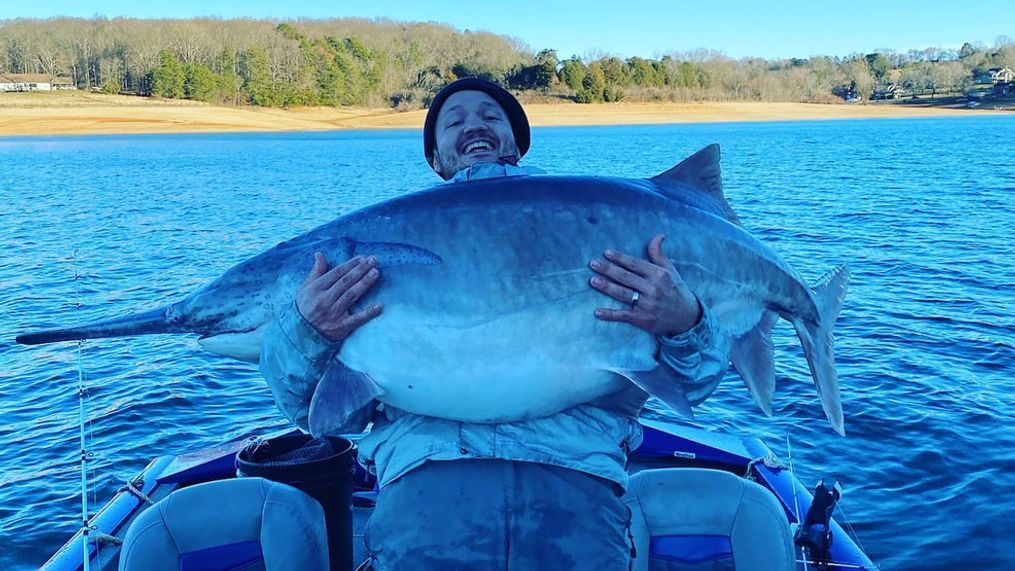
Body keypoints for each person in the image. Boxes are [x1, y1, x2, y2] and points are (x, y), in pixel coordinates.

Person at [261, 77, 730, 570]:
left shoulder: (603, 229)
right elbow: (315, 414)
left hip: (576, 488)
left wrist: (688, 320)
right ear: (436, 159)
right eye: (454, 121)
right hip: (427, 492)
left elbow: (694, 383)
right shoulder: (372, 258)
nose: (474, 126)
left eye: (490, 115)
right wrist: (307, 330)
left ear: (517, 144)